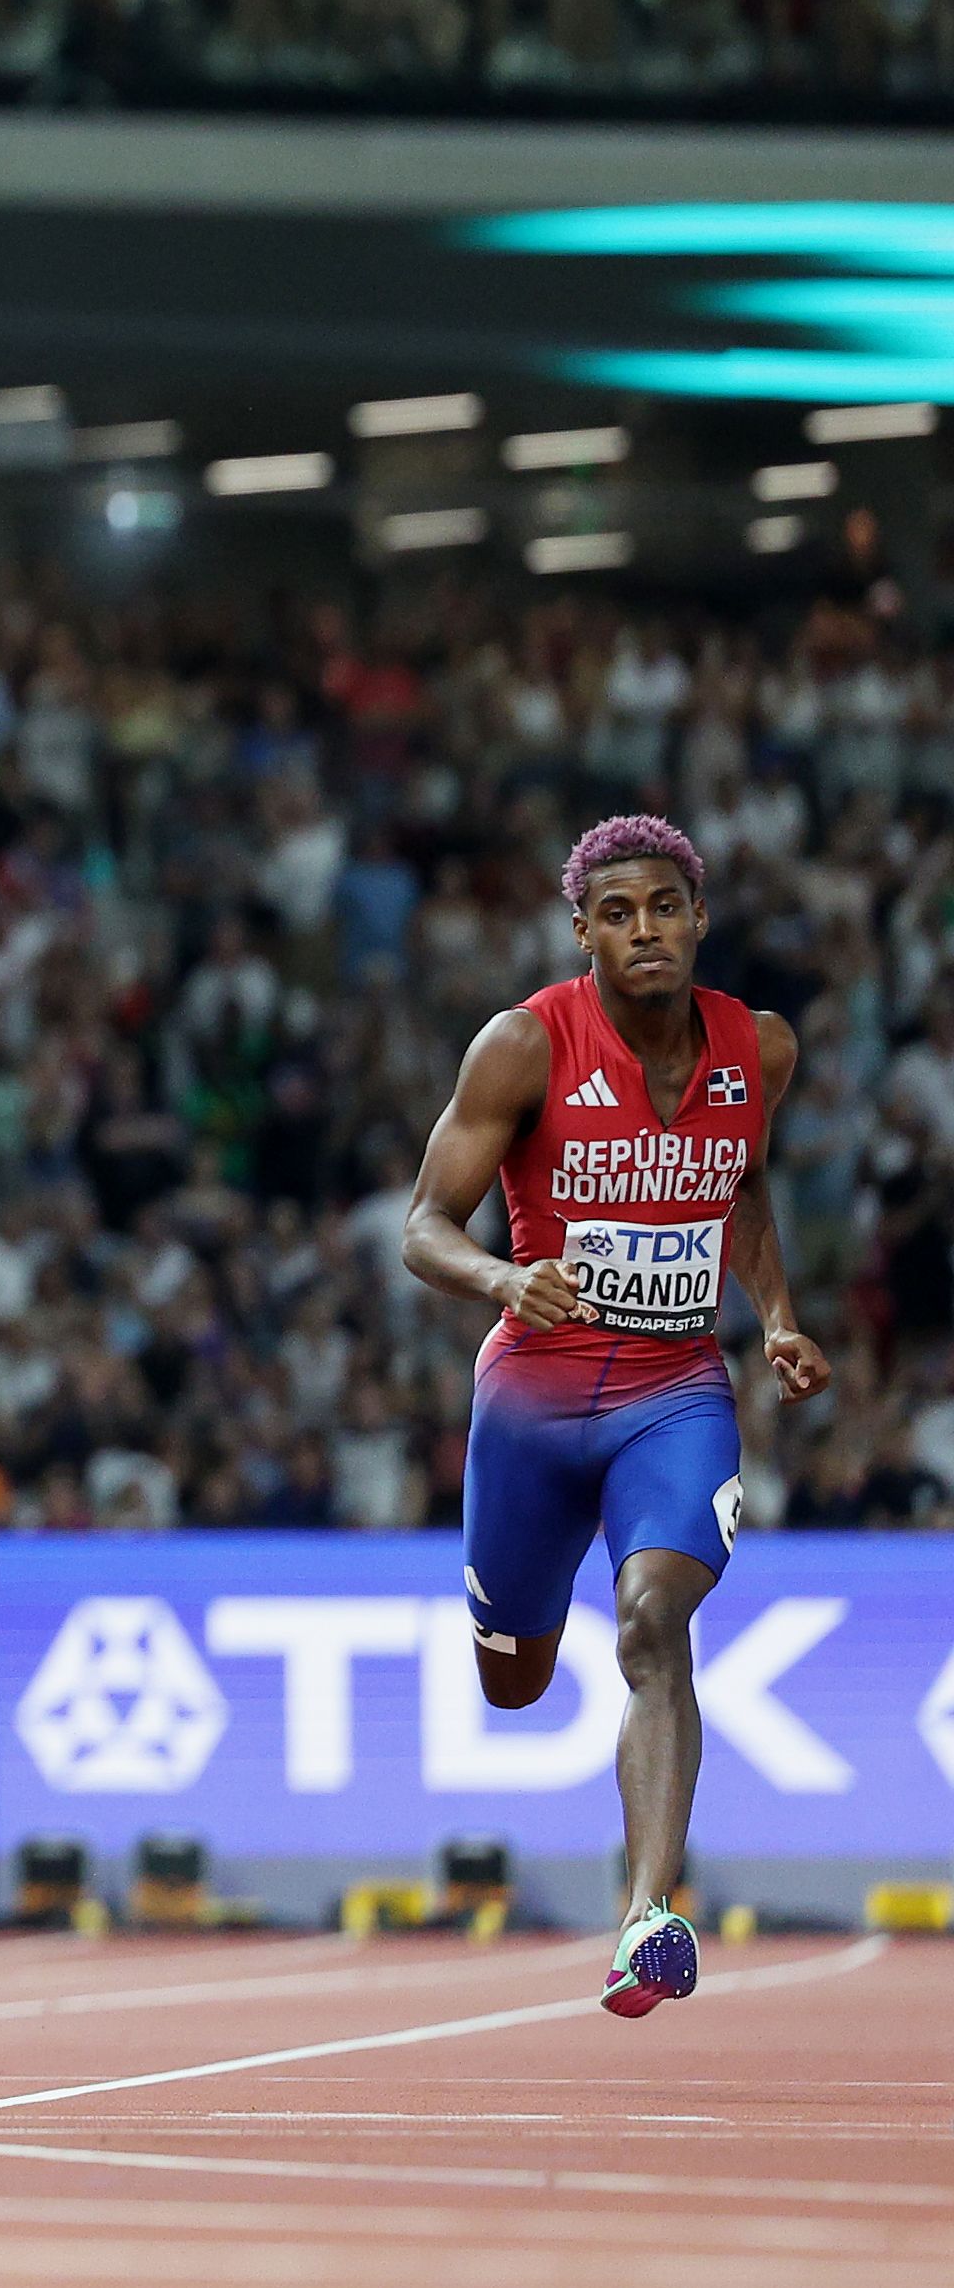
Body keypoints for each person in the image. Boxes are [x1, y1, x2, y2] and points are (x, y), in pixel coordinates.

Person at [400, 814, 832, 2017]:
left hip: (674, 1389)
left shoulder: (763, 1047)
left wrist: (778, 1314)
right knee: (515, 1681)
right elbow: (420, 1226)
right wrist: (499, 1276)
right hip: (531, 1404)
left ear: (698, 917)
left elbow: (740, 1188)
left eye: (664, 908)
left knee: (652, 1624)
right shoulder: (522, 1045)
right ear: (581, 928)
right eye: (617, 913)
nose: (644, 929)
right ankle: (515, 1633)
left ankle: (646, 1911)